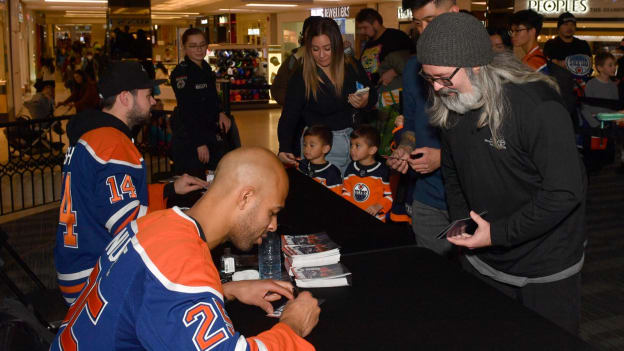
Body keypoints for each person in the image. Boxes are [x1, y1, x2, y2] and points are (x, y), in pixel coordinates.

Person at [51, 147, 321, 350]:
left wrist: (225, 290)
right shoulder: (182, 267)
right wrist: (292, 326)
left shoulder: (156, 222)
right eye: (272, 212)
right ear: (246, 197)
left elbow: (146, 298)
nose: (273, 225)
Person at [417, 12, 586, 334]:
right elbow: (454, 173)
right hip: (483, 258)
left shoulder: (536, 107)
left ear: (476, 65)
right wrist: (461, 226)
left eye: (442, 77)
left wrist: (497, 233)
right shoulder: (453, 99)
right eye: (429, 79)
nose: (437, 88)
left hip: (546, 262)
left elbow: (564, 192)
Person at [54, 61, 208, 305]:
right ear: (125, 98)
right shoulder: (113, 142)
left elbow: (108, 199)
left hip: (75, 264)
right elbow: (127, 224)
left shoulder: (93, 136)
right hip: (96, 275)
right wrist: (190, 218)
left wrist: (169, 189)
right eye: (148, 95)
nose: (154, 101)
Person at [386, 0, 459, 256]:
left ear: (453, 14)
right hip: (427, 195)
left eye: (430, 20)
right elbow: (412, 122)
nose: (424, 30)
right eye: (418, 23)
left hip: (469, 197)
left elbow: (493, 144)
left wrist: (443, 158)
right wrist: (405, 148)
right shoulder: (413, 67)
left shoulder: (480, 68)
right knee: (431, 276)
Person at [278, 17, 375, 174]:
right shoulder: (302, 76)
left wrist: (364, 102)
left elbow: (372, 95)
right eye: (315, 49)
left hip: (356, 145)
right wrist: (284, 147)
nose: (321, 55)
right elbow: (289, 115)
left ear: (337, 46)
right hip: (320, 148)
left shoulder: (351, 66)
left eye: (327, 48)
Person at [170, 28, 232, 177]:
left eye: (202, 44)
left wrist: (221, 112)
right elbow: (187, 110)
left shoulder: (206, 69)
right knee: (196, 180)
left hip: (210, 132)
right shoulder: (181, 73)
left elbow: (211, 98)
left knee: (214, 177)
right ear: (184, 48)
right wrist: (199, 143)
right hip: (192, 138)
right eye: (193, 45)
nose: (199, 49)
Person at [342, 125, 392, 221]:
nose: (352, 149)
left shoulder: (382, 171)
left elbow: (389, 196)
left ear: (372, 150)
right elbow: (346, 191)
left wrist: (378, 206)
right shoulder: (351, 167)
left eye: (357, 146)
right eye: (351, 145)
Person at [271, 16, 322, 106]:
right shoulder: (294, 58)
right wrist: (297, 104)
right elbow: (278, 90)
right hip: (298, 116)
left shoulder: (331, 58)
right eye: (312, 33)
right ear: (304, 35)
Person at [356, 8, 414, 86]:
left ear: (376, 24)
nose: (362, 32)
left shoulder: (397, 37)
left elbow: (414, 59)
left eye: (365, 27)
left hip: (393, 92)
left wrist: (394, 72)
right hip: (373, 92)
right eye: (360, 28)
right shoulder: (368, 44)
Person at [581, 51, 623, 128]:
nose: (614, 68)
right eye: (610, 65)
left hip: (610, 125)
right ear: (600, 68)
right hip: (595, 125)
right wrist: (595, 124)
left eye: (615, 65)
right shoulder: (591, 84)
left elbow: (614, 107)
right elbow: (584, 108)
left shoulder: (613, 86)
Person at [543, 12, 592, 78]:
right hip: (557, 84)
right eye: (565, 24)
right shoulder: (551, 45)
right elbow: (547, 66)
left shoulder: (583, 44)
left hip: (579, 84)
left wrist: (561, 63)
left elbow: (589, 64)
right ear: (559, 27)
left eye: (572, 25)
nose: (569, 27)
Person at [298, 125, 342, 195]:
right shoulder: (301, 165)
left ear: (325, 149)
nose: (306, 148)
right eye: (304, 145)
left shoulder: (332, 173)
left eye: (312, 145)